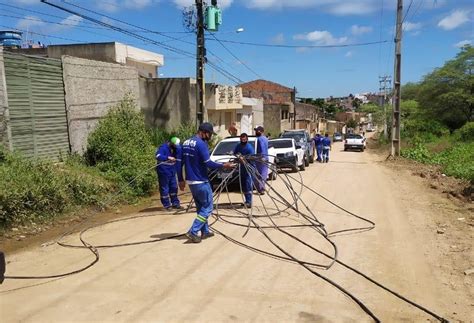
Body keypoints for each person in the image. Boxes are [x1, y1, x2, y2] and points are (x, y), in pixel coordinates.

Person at [178, 122, 235, 243]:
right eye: (209, 134)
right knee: (208, 207)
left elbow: (180, 163)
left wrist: (180, 179)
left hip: (191, 182)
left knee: (201, 207)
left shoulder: (186, 143)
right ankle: (193, 231)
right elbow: (208, 163)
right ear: (204, 132)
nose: (210, 137)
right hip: (201, 181)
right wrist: (224, 165)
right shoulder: (201, 144)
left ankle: (205, 231)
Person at [155, 137, 182, 210]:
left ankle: (175, 203)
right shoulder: (163, 147)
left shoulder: (175, 148)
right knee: (165, 188)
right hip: (163, 170)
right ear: (171, 143)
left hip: (172, 170)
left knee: (174, 187)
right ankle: (167, 205)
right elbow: (158, 156)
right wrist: (168, 157)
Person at [233, 133, 255, 208]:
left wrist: (244, 160)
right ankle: (246, 200)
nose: (243, 140)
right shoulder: (238, 146)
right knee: (243, 185)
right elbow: (235, 153)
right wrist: (238, 157)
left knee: (248, 184)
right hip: (242, 169)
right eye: (242, 139)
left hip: (249, 168)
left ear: (247, 139)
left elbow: (251, 158)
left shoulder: (249, 148)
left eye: (244, 139)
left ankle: (249, 202)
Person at [254, 126, 269, 194]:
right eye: (256, 131)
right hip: (265, 158)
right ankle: (261, 188)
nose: (256, 132)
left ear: (262, 132)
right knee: (263, 174)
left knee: (260, 174)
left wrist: (262, 157)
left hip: (260, 159)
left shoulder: (259, 139)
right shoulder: (265, 138)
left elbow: (262, 148)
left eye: (258, 131)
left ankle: (261, 189)